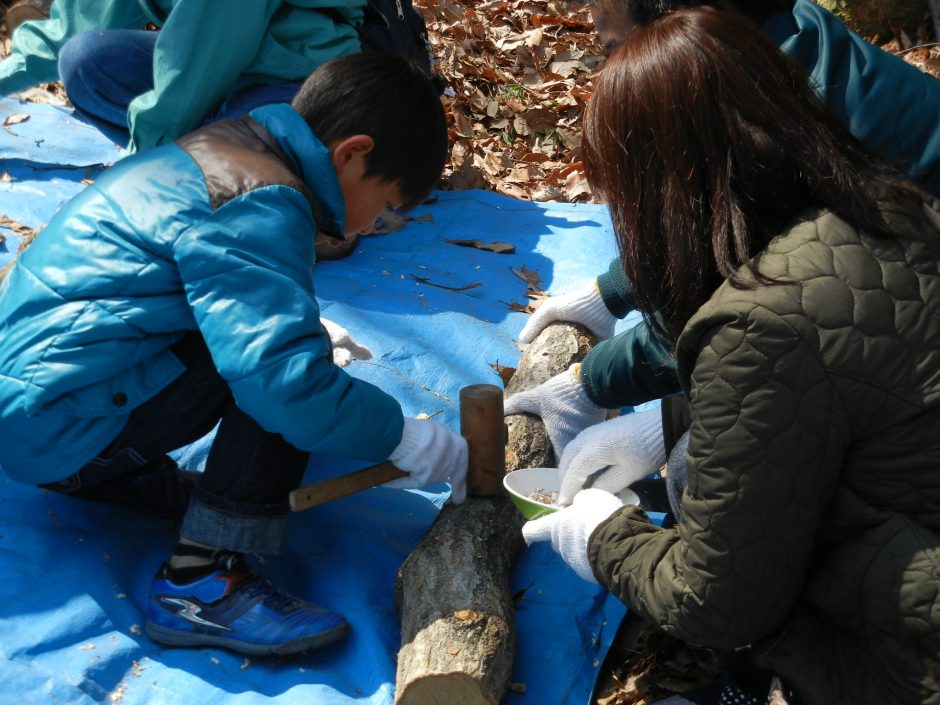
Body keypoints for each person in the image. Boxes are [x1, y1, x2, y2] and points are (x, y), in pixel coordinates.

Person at [521, 8, 940, 704]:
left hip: (917, 652)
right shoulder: (886, 201)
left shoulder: (756, 325)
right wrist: (673, 415)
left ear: (667, 191)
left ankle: (757, 679)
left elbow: (717, 598)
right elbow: (835, 372)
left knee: (694, 484)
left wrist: (602, 537)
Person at [0, 52, 468, 656]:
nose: (369, 227)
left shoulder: (231, 149)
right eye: (384, 208)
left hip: (35, 404)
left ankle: (117, 473)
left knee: (284, 348)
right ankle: (201, 580)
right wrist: (404, 437)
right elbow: (282, 384)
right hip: (58, 418)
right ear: (352, 154)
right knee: (291, 380)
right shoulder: (261, 195)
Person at [505, 0, 940, 474]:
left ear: (675, 33)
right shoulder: (762, 41)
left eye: (614, 48)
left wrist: (600, 390)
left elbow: (738, 305)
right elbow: (710, 236)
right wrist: (610, 293)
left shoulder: (779, 128)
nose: (612, 70)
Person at [0, 0, 368, 154]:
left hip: (301, 77)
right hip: (210, 66)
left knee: (250, 143)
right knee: (84, 62)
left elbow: (205, 53)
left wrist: (142, 165)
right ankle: (212, 152)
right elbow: (79, 21)